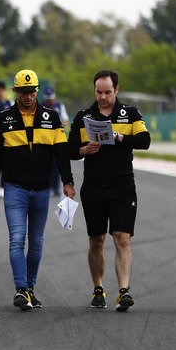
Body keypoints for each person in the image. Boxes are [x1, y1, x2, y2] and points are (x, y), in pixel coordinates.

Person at [0, 69, 75, 311]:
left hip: (42, 190)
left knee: (36, 242)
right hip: (15, 189)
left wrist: (68, 182)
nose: (27, 97)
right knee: (17, 239)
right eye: (23, 92)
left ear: (36, 91)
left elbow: (61, 153)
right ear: (15, 91)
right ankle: (21, 289)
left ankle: (31, 288)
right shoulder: (3, 119)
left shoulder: (52, 117)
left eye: (31, 92)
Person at [68, 69, 151, 311]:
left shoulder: (130, 113)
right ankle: (98, 288)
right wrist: (85, 150)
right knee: (97, 240)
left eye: (107, 92)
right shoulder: (83, 116)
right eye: (98, 92)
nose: (102, 97)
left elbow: (145, 141)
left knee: (123, 240)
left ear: (116, 90)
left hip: (123, 186)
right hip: (93, 187)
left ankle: (124, 291)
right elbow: (69, 149)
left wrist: (120, 138)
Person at [43, 86, 68, 196]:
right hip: (44, 139)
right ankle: (46, 186)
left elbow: (65, 121)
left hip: (57, 138)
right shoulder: (40, 106)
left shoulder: (59, 106)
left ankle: (56, 187)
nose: (49, 100)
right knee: (45, 163)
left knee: (57, 163)